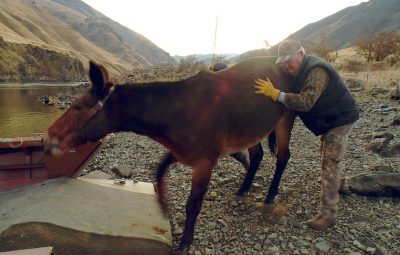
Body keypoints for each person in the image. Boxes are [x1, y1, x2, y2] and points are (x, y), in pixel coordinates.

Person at [254, 39, 359, 230]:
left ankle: (327, 215)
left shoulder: (316, 71)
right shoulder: (298, 70)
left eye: (289, 61)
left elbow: (305, 103)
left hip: (340, 118)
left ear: (301, 55)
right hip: (329, 119)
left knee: (330, 162)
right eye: (282, 62)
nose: (285, 66)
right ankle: (339, 184)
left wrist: (275, 94)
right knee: (330, 154)